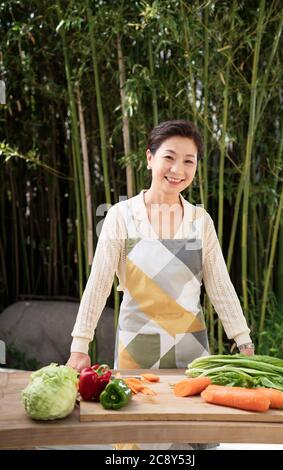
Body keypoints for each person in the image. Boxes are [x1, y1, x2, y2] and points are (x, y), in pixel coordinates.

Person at [66, 120, 254, 450]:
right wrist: (79, 345)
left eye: (188, 161)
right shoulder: (122, 216)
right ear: (149, 158)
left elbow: (220, 286)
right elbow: (98, 284)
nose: (178, 169)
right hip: (136, 356)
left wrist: (243, 340)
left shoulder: (200, 221)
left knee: (191, 445)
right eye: (169, 157)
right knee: (138, 446)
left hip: (192, 356)